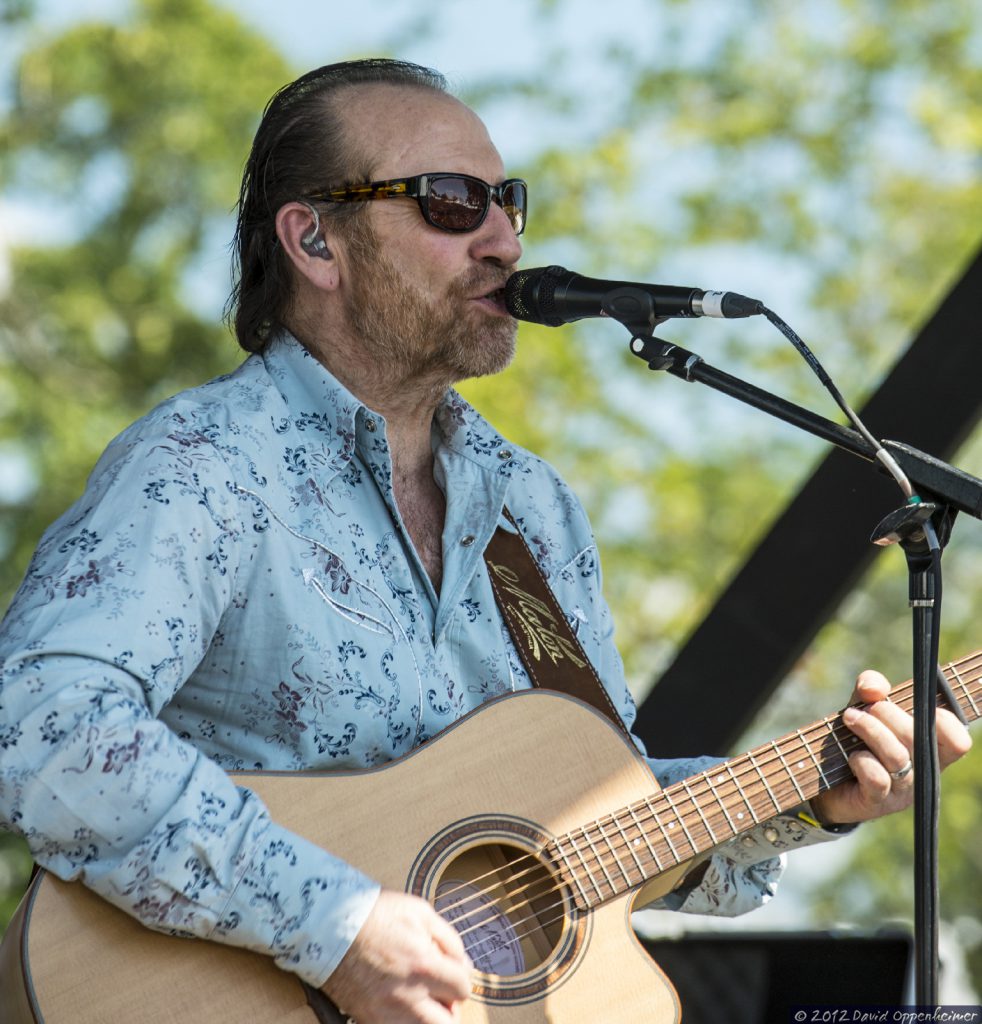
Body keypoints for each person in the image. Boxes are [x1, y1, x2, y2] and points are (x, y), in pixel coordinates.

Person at [0, 59, 971, 1024]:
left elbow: (599, 817)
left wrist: (814, 795)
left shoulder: (533, 509)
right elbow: (40, 726)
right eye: (452, 203)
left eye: (507, 201)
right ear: (314, 239)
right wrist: (332, 926)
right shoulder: (206, 465)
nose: (504, 239)